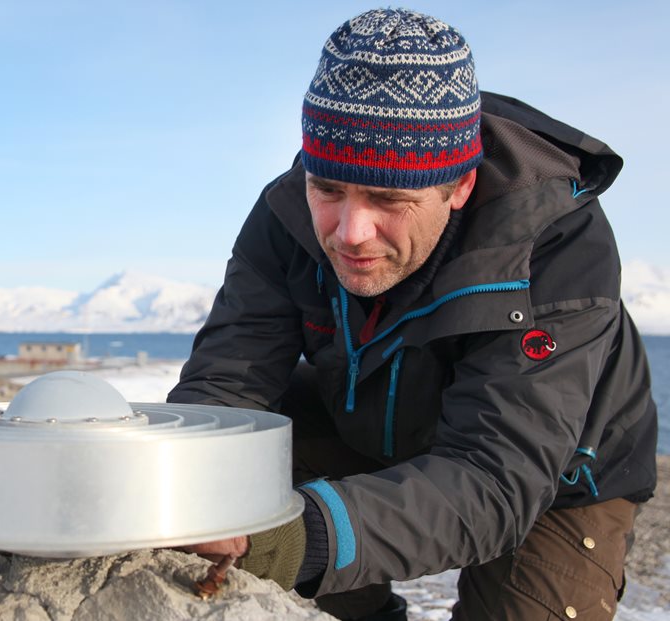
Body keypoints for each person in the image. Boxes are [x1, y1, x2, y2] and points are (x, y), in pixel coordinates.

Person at [169, 8, 658, 621]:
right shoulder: (286, 212)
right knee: (241, 448)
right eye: (328, 188)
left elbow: (495, 477)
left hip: (551, 478)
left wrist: (282, 538)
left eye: (387, 198)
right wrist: (174, 485)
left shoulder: (558, 244)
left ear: (459, 187)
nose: (350, 232)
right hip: (365, 424)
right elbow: (225, 387)